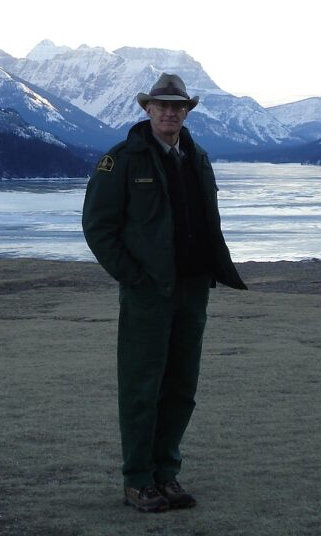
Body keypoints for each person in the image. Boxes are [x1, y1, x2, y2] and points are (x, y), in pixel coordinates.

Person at [82, 72, 248, 513]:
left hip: (193, 290)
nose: (172, 112)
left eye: (179, 106)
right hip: (148, 295)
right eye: (164, 106)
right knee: (142, 387)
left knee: (181, 387)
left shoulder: (198, 158)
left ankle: (166, 474)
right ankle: (138, 480)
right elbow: (97, 227)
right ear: (148, 110)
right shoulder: (121, 161)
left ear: (187, 111)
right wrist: (133, 278)